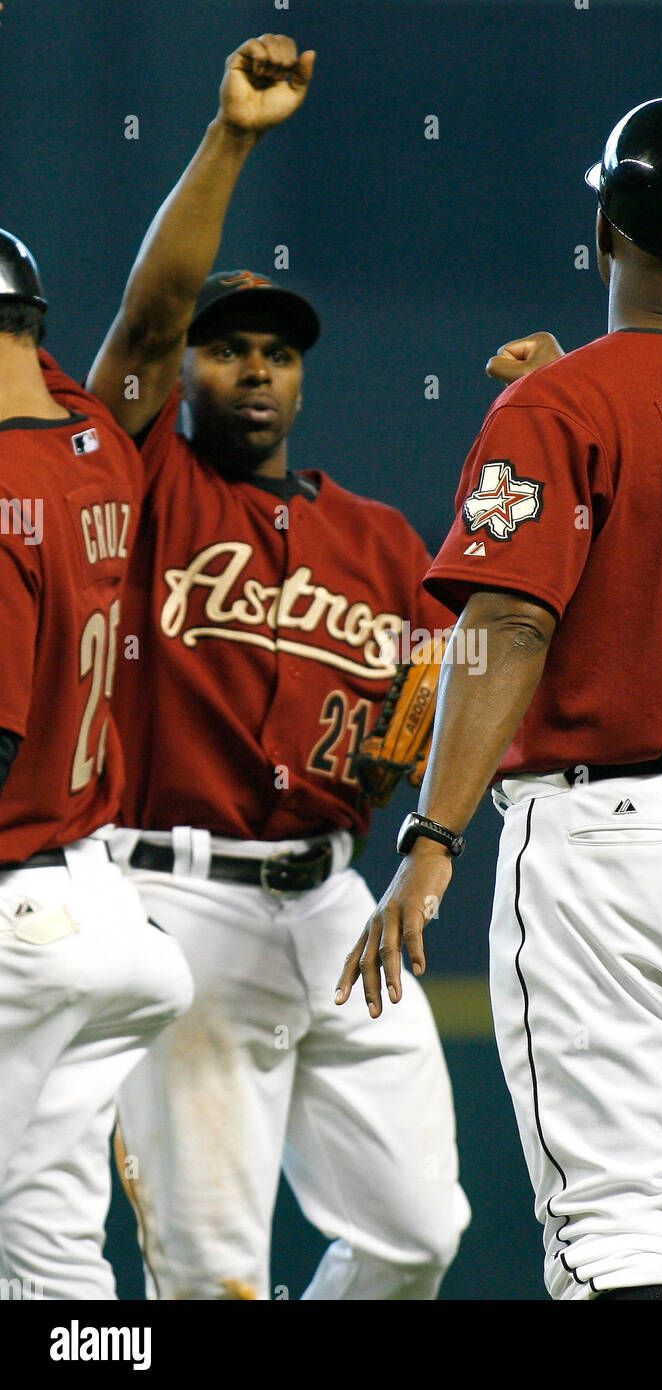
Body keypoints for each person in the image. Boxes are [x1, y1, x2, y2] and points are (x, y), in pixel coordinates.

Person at [336, 97, 662, 1301]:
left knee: (611, 1234)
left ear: (603, 226)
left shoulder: (560, 409)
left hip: (609, 841)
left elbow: (505, 625)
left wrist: (432, 838)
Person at [85, 34, 469, 1300]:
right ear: (184, 370)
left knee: (417, 1235)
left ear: (302, 375)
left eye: (278, 350)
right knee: (211, 1281)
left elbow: (434, 701)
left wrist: (402, 764)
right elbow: (143, 318)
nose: (253, 367)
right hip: (175, 899)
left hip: (333, 906)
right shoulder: (145, 481)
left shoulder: (378, 540)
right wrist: (233, 137)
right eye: (226, 346)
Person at [0, 228, 192, 1300]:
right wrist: (228, 145)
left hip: (18, 926)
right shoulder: (88, 443)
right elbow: (154, 318)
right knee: (54, 1265)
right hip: (108, 924)